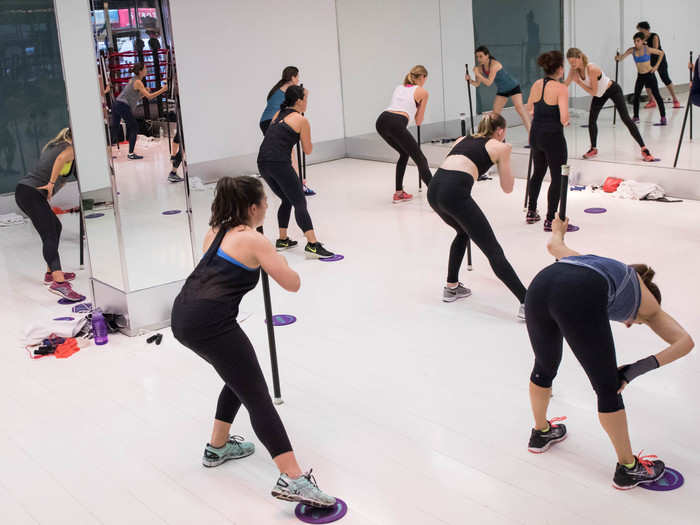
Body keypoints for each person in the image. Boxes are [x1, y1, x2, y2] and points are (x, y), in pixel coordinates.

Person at [171, 176, 336, 507]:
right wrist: (274, 256)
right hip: (212, 323)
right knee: (257, 395)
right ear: (252, 208)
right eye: (264, 202)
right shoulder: (252, 239)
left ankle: (217, 448)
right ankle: (293, 478)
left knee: (237, 377)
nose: (267, 206)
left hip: (184, 316)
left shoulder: (215, 232)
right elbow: (293, 283)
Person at [525, 215, 694, 489]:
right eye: (635, 322)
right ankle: (628, 468)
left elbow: (554, 248)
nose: (629, 324)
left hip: (541, 284)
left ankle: (541, 432)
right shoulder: (649, 306)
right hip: (577, 292)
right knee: (608, 387)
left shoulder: (599, 265)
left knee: (544, 366)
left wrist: (559, 230)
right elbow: (685, 342)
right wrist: (632, 371)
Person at [427, 113, 527, 320]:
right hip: (454, 193)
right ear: (500, 131)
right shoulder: (500, 146)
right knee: (493, 250)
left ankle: (452, 287)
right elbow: (508, 188)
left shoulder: (462, 139)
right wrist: (504, 158)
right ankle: (527, 302)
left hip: (434, 190)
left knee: (463, 232)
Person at [257, 86, 334, 258]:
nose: (307, 102)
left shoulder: (278, 114)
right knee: (299, 201)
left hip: (262, 162)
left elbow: (275, 138)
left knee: (286, 198)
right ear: (299, 101)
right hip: (278, 162)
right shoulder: (301, 120)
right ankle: (313, 244)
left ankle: (282, 239)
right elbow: (307, 150)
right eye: (306, 98)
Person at [14, 128, 84, 302]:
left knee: (55, 227)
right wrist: (51, 184)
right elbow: (60, 160)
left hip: (27, 193)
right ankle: (58, 282)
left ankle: (50, 273)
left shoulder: (59, 146)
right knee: (49, 234)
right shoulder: (68, 148)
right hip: (30, 193)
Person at [565, 48, 655, 162]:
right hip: (599, 94)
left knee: (626, 118)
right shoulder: (573, 71)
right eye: (570, 62)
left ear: (580, 57)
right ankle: (593, 148)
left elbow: (595, 92)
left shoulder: (592, 69)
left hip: (612, 90)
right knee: (591, 120)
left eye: (574, 62)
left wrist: (578, 82)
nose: (572, 65)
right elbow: (565, 85)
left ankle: (644, 148)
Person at [525, 51, 575, 231]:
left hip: (536, 134)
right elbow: (563, 118)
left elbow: (529, 108)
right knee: (557, 177)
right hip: (553, 136)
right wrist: (566, 121)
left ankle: (531, 212)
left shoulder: (537, 84)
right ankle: (550, 219)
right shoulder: (561, 89)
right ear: (560, 68)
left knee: (538, 172)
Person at [375, 65, 433, 203]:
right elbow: (418, 120)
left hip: (381, 121)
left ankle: (399, 193)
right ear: (423, 77)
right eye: (426, 78)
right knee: (421, 160)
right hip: (396, 123)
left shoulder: (398, 87)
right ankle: (436, 195)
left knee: (404, 153)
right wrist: (418, 107)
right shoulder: (423, 92)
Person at [467, 46, 531, 135]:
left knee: (520, 109)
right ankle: (498, 136)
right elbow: (477, 84)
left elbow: (489, 83)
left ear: (487, 55)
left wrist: (478, 74)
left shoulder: (495, 65)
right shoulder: (480, 68)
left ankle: (532, 136)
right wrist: (470, 80)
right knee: (495, 115)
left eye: (481, 56)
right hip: (502, 90)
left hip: (513, 87)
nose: (478, 59)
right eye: (477, 57)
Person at [110, 63, 168, 159]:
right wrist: (163, 89)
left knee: (115, 128)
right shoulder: (138, 82)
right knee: (134, 127)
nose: (146, 70)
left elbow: (134, 96)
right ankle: (131, 154)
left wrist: (144, 93)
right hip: (122, 105)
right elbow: (149, 97)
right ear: (140, 71)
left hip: (117, 104)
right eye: (145, 68)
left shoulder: (133, 80)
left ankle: (108, 154)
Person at [616, 34, 666, 125]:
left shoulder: (647, 49)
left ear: (642, 41)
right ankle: (636, 117)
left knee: (657, 96)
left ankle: (663, 117)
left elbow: (661, 53)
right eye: (634, 41)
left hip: (650, 75)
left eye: (638, 41)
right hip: (641, 76)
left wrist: (656, 66)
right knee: (636, 96)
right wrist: (618, 58)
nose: (636, 43)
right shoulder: (632, 50)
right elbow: (622, 57)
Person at [636, 21, 681, 109]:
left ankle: (675, 99)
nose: (640, 32)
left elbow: (655, 50)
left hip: (659, 59)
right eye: (639, 31)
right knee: (647, 80)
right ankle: (651, 101)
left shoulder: (654, 36)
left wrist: (644, 46)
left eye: (641, 30)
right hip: (649, 60)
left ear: (647, 29)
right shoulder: (641, 38)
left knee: (665, 78)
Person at [260, 66, 299, 135]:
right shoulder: (287, 91)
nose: (298, 80)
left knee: (277, 144)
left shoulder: (278, 88)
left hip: (265, 121)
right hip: (272, 121)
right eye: (297, 77)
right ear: (293, 78)